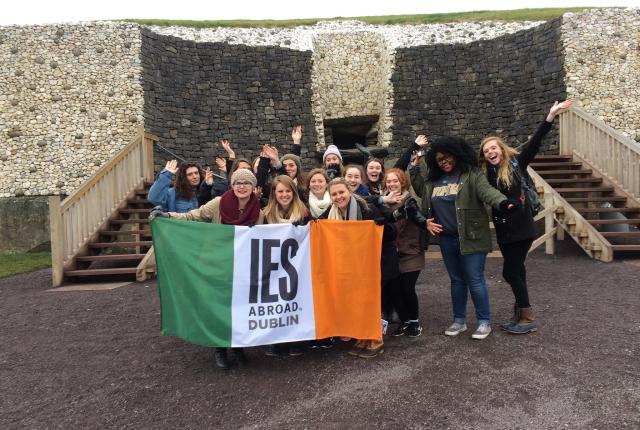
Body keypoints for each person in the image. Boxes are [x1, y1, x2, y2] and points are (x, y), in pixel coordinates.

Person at [152, 168, 264, 369]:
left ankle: (238, 346)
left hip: (240, 266)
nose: (242, 186)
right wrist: (168, 215)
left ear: (253, 187)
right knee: (217, 306)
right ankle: (219, 347)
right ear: (232, 185)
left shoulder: (258, 213)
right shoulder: (218, 204)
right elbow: (194, 216)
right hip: (215, 264)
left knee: (238, 307)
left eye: (246, 183)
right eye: (238, 182)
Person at [479, 99, 574, 334]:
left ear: (501, 149)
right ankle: (521, 315)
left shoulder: (515, 165)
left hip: (521, 228)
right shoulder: (485, 174)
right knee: (518, 270)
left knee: (509, 272)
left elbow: (535, 142)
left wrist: (550, 115)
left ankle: (527, 315)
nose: (491, 151)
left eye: (494, 148)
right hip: (504, 231)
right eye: (486, 150)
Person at [410, 136, 517, 340]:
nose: (444, 161)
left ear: (457, 155)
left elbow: (488, 192)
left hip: (471, 236)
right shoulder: (434, 181)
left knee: (475, 280)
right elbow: (421, 190)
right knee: (456, 281)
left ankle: (484, 322)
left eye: (447, 157)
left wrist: (503, 203)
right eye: (439, 159)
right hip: (446, 239)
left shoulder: (471, 175)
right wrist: (414, 168)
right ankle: (459, 321)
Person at [319, 177, 399, 358]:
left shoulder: (367, 208)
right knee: (359, 301)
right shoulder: (330, 212)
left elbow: (392, 232)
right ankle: (363, 336)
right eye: (334, 194)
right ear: (330, 197)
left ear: (349, 192)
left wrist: (382, 226)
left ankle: (376, 338)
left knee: (371, 300)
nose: (339, 197)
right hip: (355, 265)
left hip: (379, 262)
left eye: (341, 192)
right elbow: (317, 225)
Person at [262, 175, 311, 357]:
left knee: (297, 300)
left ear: (293, 192)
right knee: (275, 302)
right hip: (273, 265)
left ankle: (297, 339)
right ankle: (276, 340)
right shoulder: (266, 214)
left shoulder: (304, 213)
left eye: (288, 191)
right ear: (274, 193)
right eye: (280, 191)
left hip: (297, 264)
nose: (284, 195)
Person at [384, 168, 427, 338]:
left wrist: (425, 224)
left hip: (410, 251)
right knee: (395, 290)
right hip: (392, 253)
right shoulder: (384, 202)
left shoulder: (410, 201)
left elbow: (416, 216)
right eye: (389, 181)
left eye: (395, 181)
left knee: (407, 288)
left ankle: (414, 321)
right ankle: (404, 321)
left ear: (402, 182)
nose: (392, 184)